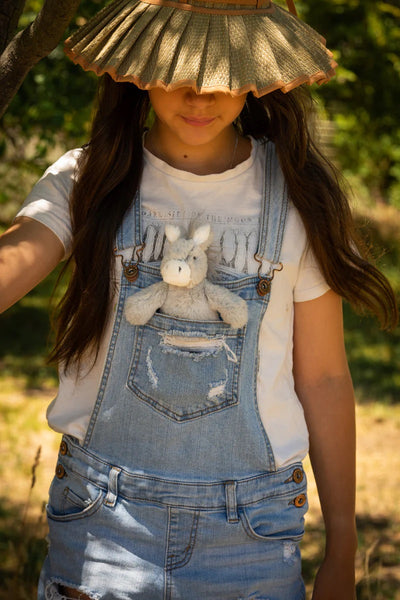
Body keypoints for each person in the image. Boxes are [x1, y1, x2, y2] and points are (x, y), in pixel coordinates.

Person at [0, 0, 397, 598]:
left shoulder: (298, 197)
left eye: (222, 73)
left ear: (253, 73)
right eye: (180, 68)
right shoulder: (87, 180)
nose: (200, 94)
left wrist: (343, 545)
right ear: (142, 64)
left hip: (253, 537)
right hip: (102, 530)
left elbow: (323, 378)